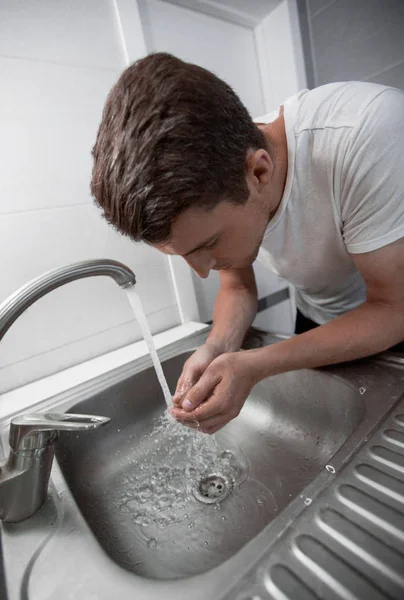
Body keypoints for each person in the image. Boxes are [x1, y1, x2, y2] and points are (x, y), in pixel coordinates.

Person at [91, 52, 404, 435]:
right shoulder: (219, 165)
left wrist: (258, 363)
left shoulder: (367, 133)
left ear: (259, 171)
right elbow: (237, 287)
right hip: (317, 317)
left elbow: (392, 309)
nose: (203, 270)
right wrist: (218, 347)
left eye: (209, 244)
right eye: (185, 256)